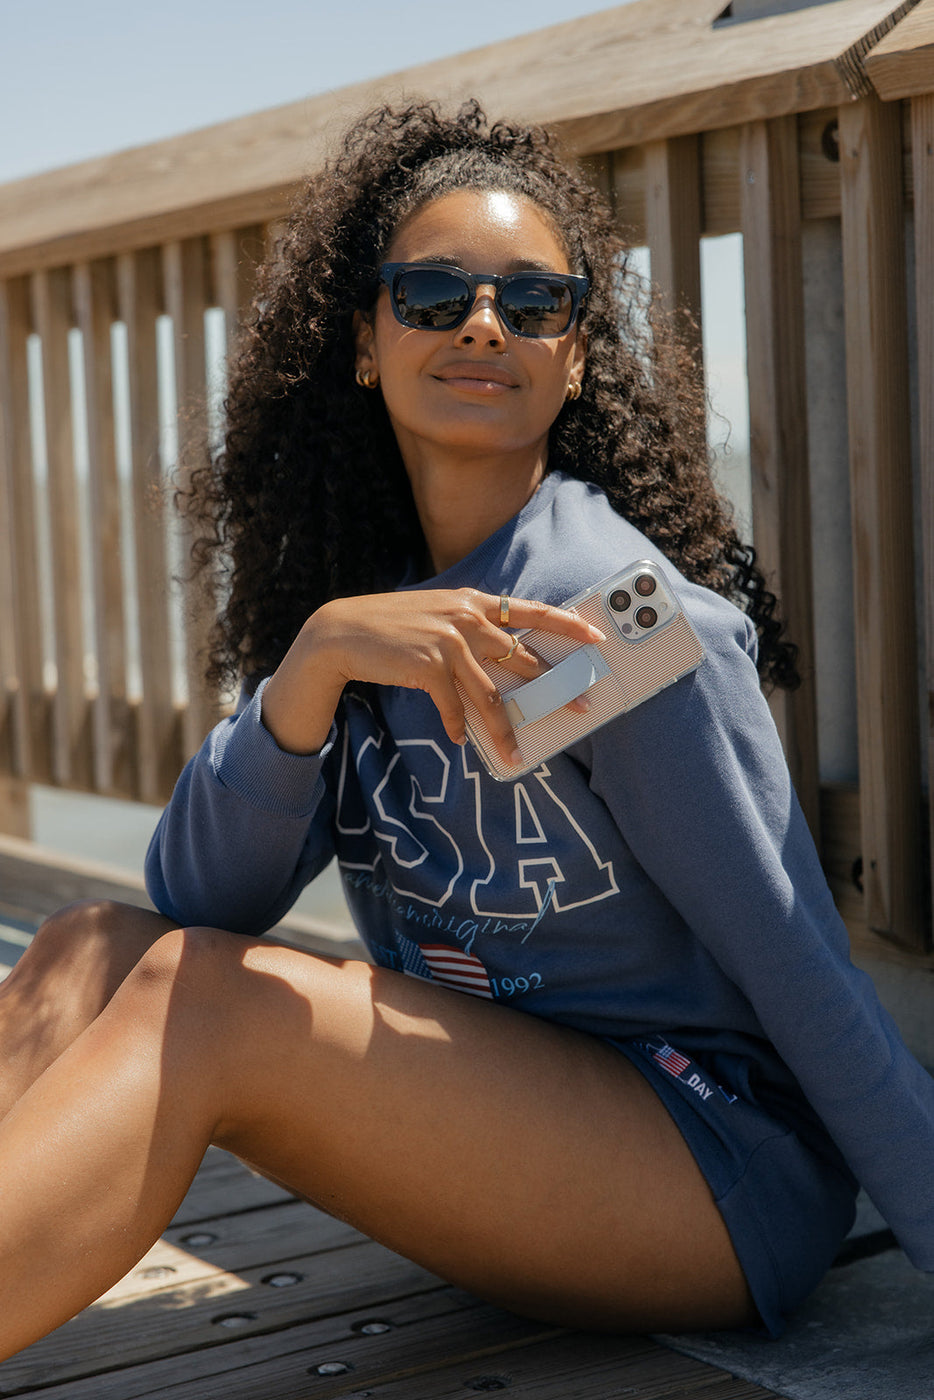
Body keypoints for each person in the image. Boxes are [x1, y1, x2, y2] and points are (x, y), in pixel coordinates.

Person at [1, 99, 932, 1361]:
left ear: (578, 354)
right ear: (365, 344)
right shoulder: (369, 603)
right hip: (494, 1119)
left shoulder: (616, 626)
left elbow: (798, 969)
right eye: (433, 296)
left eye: (532, 302)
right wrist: (318, 658)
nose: (483, 323)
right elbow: (193, 894)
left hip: (710, 1165)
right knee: (92, 942)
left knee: (206, 1002)